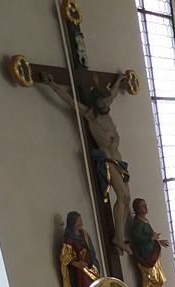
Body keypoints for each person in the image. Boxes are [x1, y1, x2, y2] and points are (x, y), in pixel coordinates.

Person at [40, 72, 133, 250]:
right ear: (94, 103)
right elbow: (69, 101)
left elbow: (112, 93)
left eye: (106, 102)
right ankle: (119, 238)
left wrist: (119, 81)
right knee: (123, 195)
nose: (106, 104)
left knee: (127, 201)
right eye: (102, 103)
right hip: (107, 158)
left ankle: (119, 236)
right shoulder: (90, 114)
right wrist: (53, 84)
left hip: (118, 158)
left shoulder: (106, 107)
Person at [58, 212, 99, 287]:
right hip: (80, 274)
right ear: (73, 223)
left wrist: (92, 264)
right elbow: (64, 257)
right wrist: (76, 264)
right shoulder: (69, 239)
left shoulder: (84, 234)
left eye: (81, 220)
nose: (81, 223)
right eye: (79, 221)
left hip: (89, 270)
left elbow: (91, 250)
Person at [128, 197, 169, 287]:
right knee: (150, 277)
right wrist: (151, 238)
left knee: (158, 277)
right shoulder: (137, 223)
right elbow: (137, 238)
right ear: (137, 209)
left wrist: (158, 241)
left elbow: (149, 237)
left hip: (152, 252)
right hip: (145, 254)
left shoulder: (145, 220)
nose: (146, 208)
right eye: (143, 206)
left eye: (146, 205)